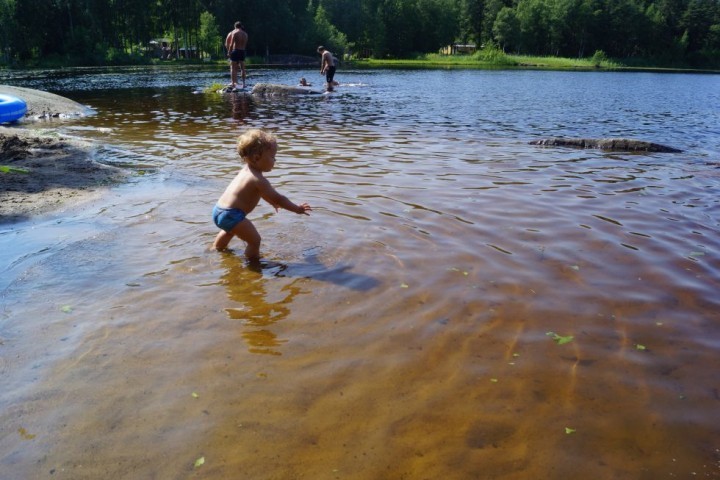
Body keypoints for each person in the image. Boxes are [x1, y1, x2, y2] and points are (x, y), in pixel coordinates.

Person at [212, 129, 312, 260]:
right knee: (255, 241)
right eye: (272, 157)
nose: (274, 161)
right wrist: (297, 209)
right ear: (256, 158)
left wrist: (272, 203)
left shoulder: (245, 172)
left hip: (219, 211)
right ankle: (253, 264)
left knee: (229, 231)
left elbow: (261, 194)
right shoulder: (259, 180)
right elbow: (279, 198)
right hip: (232, 215)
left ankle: (215, 249)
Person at [225, 21, 248, 89]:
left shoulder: (235, 32)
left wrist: (229, 52)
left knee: (233, 67)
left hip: (236, 50)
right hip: (242, 51)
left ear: (235, 26)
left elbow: (231, 44)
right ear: (241, 26)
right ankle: (244, 84)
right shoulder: (245, 34)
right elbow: (245, 44)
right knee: (242, 68)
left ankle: (233, 83)